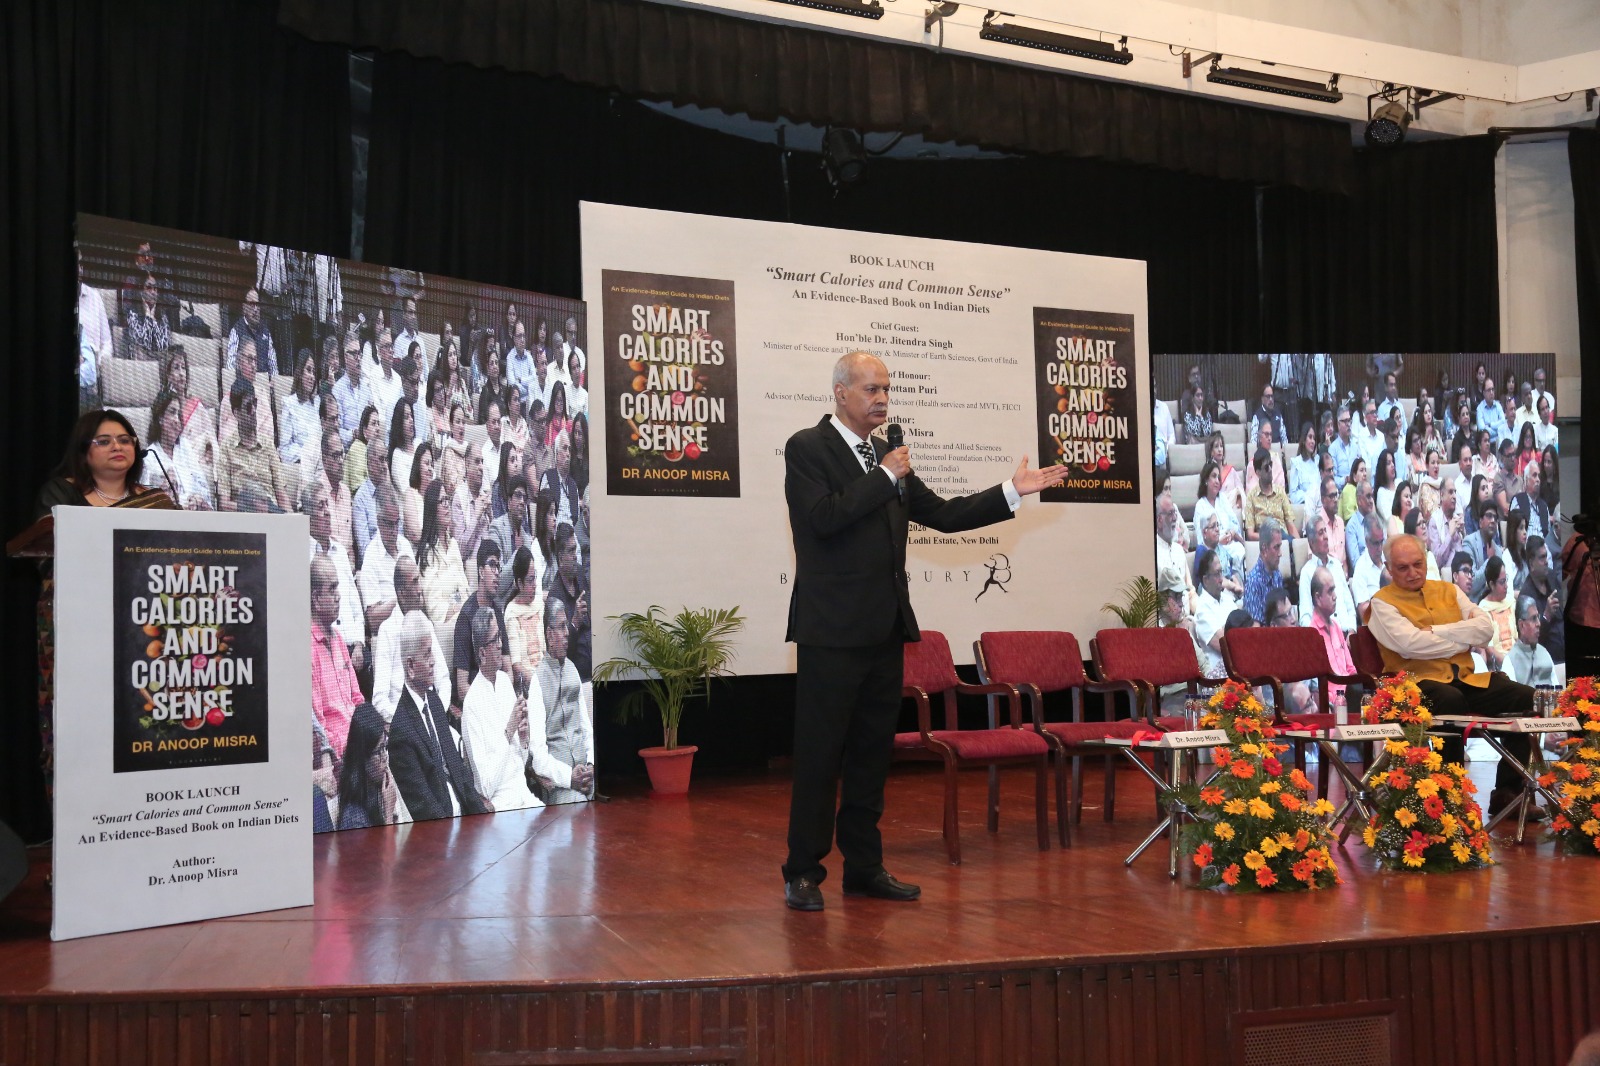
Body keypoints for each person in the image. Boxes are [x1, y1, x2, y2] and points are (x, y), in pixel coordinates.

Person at [781, 351, 1065, 912]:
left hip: (885, 631)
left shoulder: (886, 460)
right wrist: (885, 475)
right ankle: (803, 873)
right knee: (820, 758)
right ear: (840, 393)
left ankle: (864, 868)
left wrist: (1012, 491)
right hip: (830, 633)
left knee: (870, 757)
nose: (882, 398)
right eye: (870, 389)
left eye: (886, 388)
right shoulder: (808, 448)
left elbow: (944, 515)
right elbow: (821, 519)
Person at [1367, 533, 1536, 817]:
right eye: (1403, 568)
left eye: (1418, 564)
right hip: (1415, 686)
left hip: (1465, 679)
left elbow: (1485, 630)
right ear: (1388, 568)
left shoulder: (1449, 590)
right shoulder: (1381, 604)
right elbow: (1410, 645)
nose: (1413, 573)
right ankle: (1450, 795)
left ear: (1426, 559)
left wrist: (1437, 631)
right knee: (1451, 698)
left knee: (1525, 696)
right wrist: (1462, 641)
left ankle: (1508, 792)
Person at [389, 611, 491, 821]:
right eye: (427, 655)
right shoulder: (401, 732)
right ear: (410, 666)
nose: (433, 661)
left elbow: (459, 770)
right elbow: (423, 807)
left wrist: (482, 818)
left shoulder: (434, 703)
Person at [460, 610, 543, 813]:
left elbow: (521, 762)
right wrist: (509, 731)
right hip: (502, 806)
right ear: (482, 653)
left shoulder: (505, 683)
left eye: (500, 637)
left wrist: (523, 738)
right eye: (495, 639)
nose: (500, 644)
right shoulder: (472, 704)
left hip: (524, 795)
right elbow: (485, 786)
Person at [529, 596, 596, 805]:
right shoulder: (537, 681)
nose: (567, 633)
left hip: (587, 776)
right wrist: (569, 778)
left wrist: (591, 764)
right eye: (561, 627)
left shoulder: (572, 670)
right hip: (560, 785)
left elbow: (586, 729)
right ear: (549, 634)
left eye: (566, 625)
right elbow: (538, 756)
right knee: (582, 808)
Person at [371, 553, 448, 721]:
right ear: (401, 592)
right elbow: (379, 700)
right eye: (414, 582)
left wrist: (436, 714)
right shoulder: (387, 630)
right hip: (403, 724)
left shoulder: (425, 624)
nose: (420, 589)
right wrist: (409, 722)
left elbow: (443, 680)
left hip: (432, 717)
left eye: (419, 580)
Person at [309, 554, 363, 759]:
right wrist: (353, 748)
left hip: (358, 744)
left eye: (337, 588)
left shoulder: (339, 639)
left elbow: (357, 698)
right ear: (316, 599)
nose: (338, 596)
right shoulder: (307, 649)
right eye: (332, 589)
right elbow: (318, 728)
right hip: (339, 756)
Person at [217, 377, 287, 513]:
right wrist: (252, 509)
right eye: (248, 407)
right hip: (243, 518)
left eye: (255, 403)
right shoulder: (226, 448)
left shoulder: (268, 444)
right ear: (236, 413)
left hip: (272, 515)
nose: (254, 410)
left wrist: (291, 520)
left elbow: (281, 495)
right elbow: (224, 504)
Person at [336, 703, 403, 829]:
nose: (385, 757)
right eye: (379, 751)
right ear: (363, 759)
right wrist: (389, 814)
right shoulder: (354, 819)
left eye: (385, 747)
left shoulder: (378, 787)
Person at [1307, 565, 1357, 710]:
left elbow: (1351, 669)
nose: (1335, 596)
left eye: (1334, 590)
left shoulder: (1336, 626)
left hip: (1350, 695)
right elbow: (1316, 686)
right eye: (1330, 591)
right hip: (1332, 704)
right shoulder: (1312, 635)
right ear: (1318, 597)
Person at [1297, 511, 1356, 632]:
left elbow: (1350, 606)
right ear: (1312, 542)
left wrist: (1352, 630)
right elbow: (1305, 618)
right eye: (1321, 533)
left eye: (1325, 531)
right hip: (1324, 635)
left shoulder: (1337, 565)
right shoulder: (1307, 573)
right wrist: (1321, 636)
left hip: (1347, 633)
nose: (1326, 536)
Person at [1192, 550, 1237, 680]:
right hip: (1219, 679)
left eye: (1221, 572)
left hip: (1238, 670)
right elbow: (1226, 646)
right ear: (1206, 580)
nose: (1221, 579)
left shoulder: (1227, 599)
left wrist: (1225, 629)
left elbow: (1244, 631)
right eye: (1217, 574)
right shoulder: (1202, 610)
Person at [1242, 448, 1298, 541]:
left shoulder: (1280, 492)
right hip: (1265, 541)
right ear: (1258, 472)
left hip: (1283, 539)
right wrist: (1271, 538)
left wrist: (1299, 545)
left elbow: (1290, 525)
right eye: (1266, 467)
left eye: (1271, 464)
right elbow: (1250, 534)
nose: (1270, 469)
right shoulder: (1251, 497)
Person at [1503, 595, 1556, 686]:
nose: (1539, 624)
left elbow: (1557, 688)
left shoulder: (1544, 652)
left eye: (1538, 617)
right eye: (1534, 618)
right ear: (1521, 625)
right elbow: (1512, 694)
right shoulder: (1510, 661)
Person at [1242, 517, 1286, 625]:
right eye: (1276, 547)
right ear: (1265, 549)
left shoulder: (1277, 575)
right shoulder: (1253, 583)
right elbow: (1255, 630)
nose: (1280, 553)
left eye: (1280, 547)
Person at [1477, 556, 1517, 671]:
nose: (1506, 586)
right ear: (1492, 584)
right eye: (1502, 582)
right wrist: (1509, 664)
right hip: (1500, 667)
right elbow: (1489, 649)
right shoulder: (1483, 610)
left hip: (1518, 658)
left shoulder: (1511, 602)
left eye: (1506, 580)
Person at [1350, 512, 1388, 615]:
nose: (1380, 548)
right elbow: (1364, 612)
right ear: (1366, 541)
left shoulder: (1388, 558)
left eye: (1381, 541)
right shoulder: (1361, 569)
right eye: (1376, 543)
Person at [1248, 382, 1287, 447]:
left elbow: (1284, 440)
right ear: (1262, 399)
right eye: (1268, 397)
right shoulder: (1257, 416)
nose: (1271, 399)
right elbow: (1253, 442)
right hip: (1263, 451)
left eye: (1272, 396)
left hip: (1277, 451)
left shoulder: (1278, 415)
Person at [1476, 377, 1511, 447]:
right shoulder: (1479, 409)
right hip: (1487, 445)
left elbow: (1503, 422)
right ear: (1484, 393)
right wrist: (1498, 430)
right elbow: (1482, 431)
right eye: (1489, 390)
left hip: (1500, 444)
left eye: (1492, 389)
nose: (1491, 393)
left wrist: (1490, 425)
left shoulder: (1498, 405)